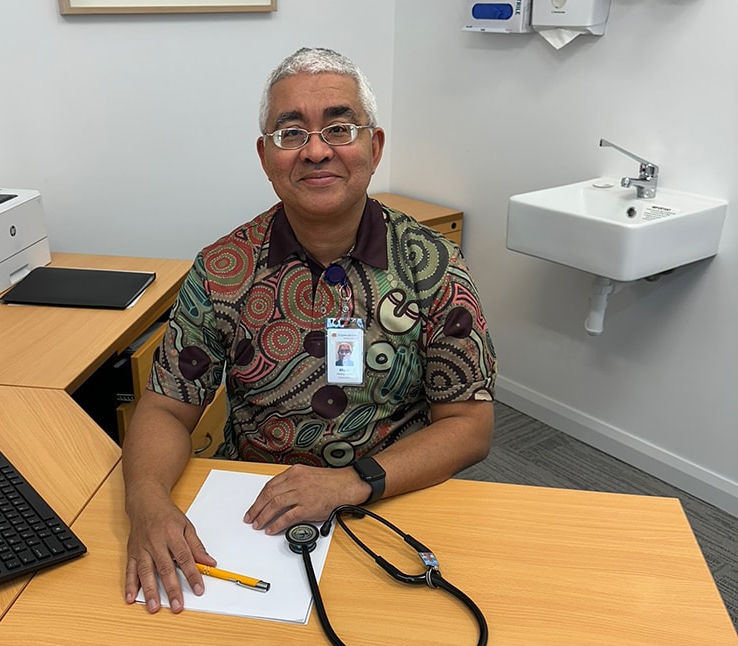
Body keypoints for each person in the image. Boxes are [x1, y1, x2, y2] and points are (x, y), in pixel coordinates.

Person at [122, 46, 497, 615]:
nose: (316, 150)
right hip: (255, 511)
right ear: (265, 156)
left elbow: (469, 426)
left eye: (339, 128)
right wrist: (147, 501)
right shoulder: (223, 269)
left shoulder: (433, 265)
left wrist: (351, 482)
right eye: (290, 132)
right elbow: (166, 409)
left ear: (374, 147)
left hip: (393, 499)